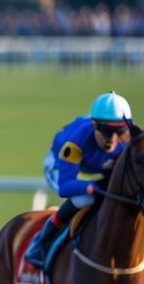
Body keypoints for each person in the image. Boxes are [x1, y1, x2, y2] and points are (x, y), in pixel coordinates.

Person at [23, 90, 133, 267]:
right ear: (95, 125)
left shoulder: (129, 140)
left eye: (118, 131)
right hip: (58, 164)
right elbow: (65, 187)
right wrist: (91, 187)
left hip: (97, 165)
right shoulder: (75, 142)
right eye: (105, 131)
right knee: (84, 197)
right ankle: (41, 243)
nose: (111, 139)